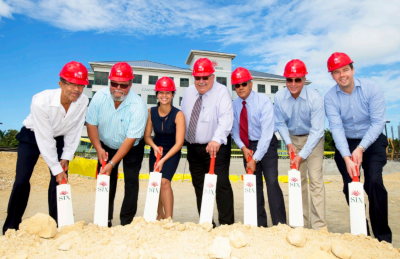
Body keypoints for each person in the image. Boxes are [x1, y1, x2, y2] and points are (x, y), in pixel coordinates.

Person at [3, 61, 89, 234]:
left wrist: (66, 157)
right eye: (71, 84)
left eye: (80, 85)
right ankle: (11, 227)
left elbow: (75, 130)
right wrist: (56, 169)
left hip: (60, 139)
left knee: (60, 181)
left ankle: (58, 225)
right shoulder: (40, 101)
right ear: (61, 84)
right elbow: (44, 139)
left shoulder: (83, 101)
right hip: (33, 136)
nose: (77, 90)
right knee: (21, 180)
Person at [324, 52, 392, 242]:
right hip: (345, 142)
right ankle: (363, 233)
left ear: (353, 70)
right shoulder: (330, 98)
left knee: (374, 182)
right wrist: (346, 156)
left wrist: (361, 148)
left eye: (345, 70)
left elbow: (378, 122)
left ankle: (382, 238)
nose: (342, 75)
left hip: (372, 138)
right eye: (336, 72)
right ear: (332, 75)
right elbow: (336, 127)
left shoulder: (372, 89)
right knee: (350, 186)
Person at [86, 62, 147, 227]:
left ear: (130, 85)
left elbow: (130, 139)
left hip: (131, 147)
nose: (118, 88)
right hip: (105, 145)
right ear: (109, 82)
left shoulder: (138, 106)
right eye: (114, 83)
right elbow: (91, 124)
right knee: (106, 179)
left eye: (123, 85)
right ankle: (105, 219)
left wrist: (113, 163)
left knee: (131, 181)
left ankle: (127, 221)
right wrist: (99, 148)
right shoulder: (99, 97)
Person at [181, 58, 234, 226]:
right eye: (198, 78)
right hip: (193, 148)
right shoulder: (189, 92)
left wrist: (216, 139)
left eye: (205, 77)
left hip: (216, 148)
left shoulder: (222, 92)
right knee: (199, 186)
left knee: (221, 185)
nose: (201, 81)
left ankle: (226, 224)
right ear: (193, 77)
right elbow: (183, 117)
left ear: (213, 76)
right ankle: (206, 223)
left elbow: (226, 120)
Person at [274, 60, 326, 230]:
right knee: (299, 181)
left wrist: (301, 155)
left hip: (314, 139)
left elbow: (318, 130)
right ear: (285, 80)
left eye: (297, 79)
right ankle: (300, 224)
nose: (293, 84)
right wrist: (288, 143)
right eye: (289, 80)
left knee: (316, 181)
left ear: (304, 79)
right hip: (292, 139)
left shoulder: (315, 98)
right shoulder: (279, 97)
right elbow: (280, 123)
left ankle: (319, 227)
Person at [231, 67, 286, 227]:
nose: (240, 87)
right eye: (237, 85)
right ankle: (259, 224)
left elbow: (267, 134)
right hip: (247, 146)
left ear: (250, 84)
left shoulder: (263, 101)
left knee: (272, 183)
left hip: (267, 145)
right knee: (253, 185)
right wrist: (243, 148)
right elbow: (235, 130)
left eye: (244, 84)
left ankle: (280, 225)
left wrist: (255, 158)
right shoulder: (234, 105)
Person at [144, 77, 185, 220]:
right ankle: (159, 215)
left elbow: (179, 143)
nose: (164, 96)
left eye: (168, 93)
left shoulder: (178, 114)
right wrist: (154, 147)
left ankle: (168, 218)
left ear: (173, 95)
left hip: (172, 151)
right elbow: (147, 136)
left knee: (164, 182)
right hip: (156, 150)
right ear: (156, 94)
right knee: (155, 181)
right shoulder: (151, 112)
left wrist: (163, 160)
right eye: (161, 92)